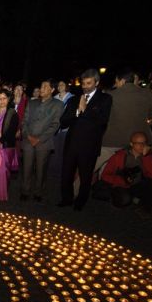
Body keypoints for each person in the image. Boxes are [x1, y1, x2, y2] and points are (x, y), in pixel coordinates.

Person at [58, 69, 113, 211]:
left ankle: (80, 202)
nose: (85, 86)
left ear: (97, 83)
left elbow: (102, 121)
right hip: (72, 143)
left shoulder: (105, 99)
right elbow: (63, 121)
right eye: (83, 83)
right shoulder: (74, 99)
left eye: (89, 83)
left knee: (85, 176)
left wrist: (85, 109)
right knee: (66, 174)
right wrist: (77, 112)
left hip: (89, 146)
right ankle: (66, 199)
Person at [98, 68, 152, 171]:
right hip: (138, 141)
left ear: (121, 80)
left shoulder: (111, 95)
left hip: (112, 140)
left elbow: (101, 115)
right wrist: (145, 115)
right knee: (131, 173)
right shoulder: (146, 93)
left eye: (116, 81)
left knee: (100, 168)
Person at [100, 132, 152, 218]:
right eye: (138, 143)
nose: (142, 146)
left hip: (137, 185)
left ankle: (144, 207)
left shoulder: (147, 156)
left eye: (144, 143)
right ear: (131, 144)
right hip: (121, 185)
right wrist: (121, 180)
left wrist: (146, 156)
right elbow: (105, 175)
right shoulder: (119, 156)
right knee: (124, 200)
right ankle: (118, 199)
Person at [21, 79, 63, 202]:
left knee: (41, 169)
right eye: (41, 86)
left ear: (52, 90)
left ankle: (38, 192)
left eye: (45, 86)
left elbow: (55, 125)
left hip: (44, 142)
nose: (41, 88)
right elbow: (24, 121)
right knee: (26, 168)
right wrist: (28, 136)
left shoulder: (57, 104)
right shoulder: (32, 102)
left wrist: (39, 139)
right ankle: (25, 191)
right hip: (28, 140)